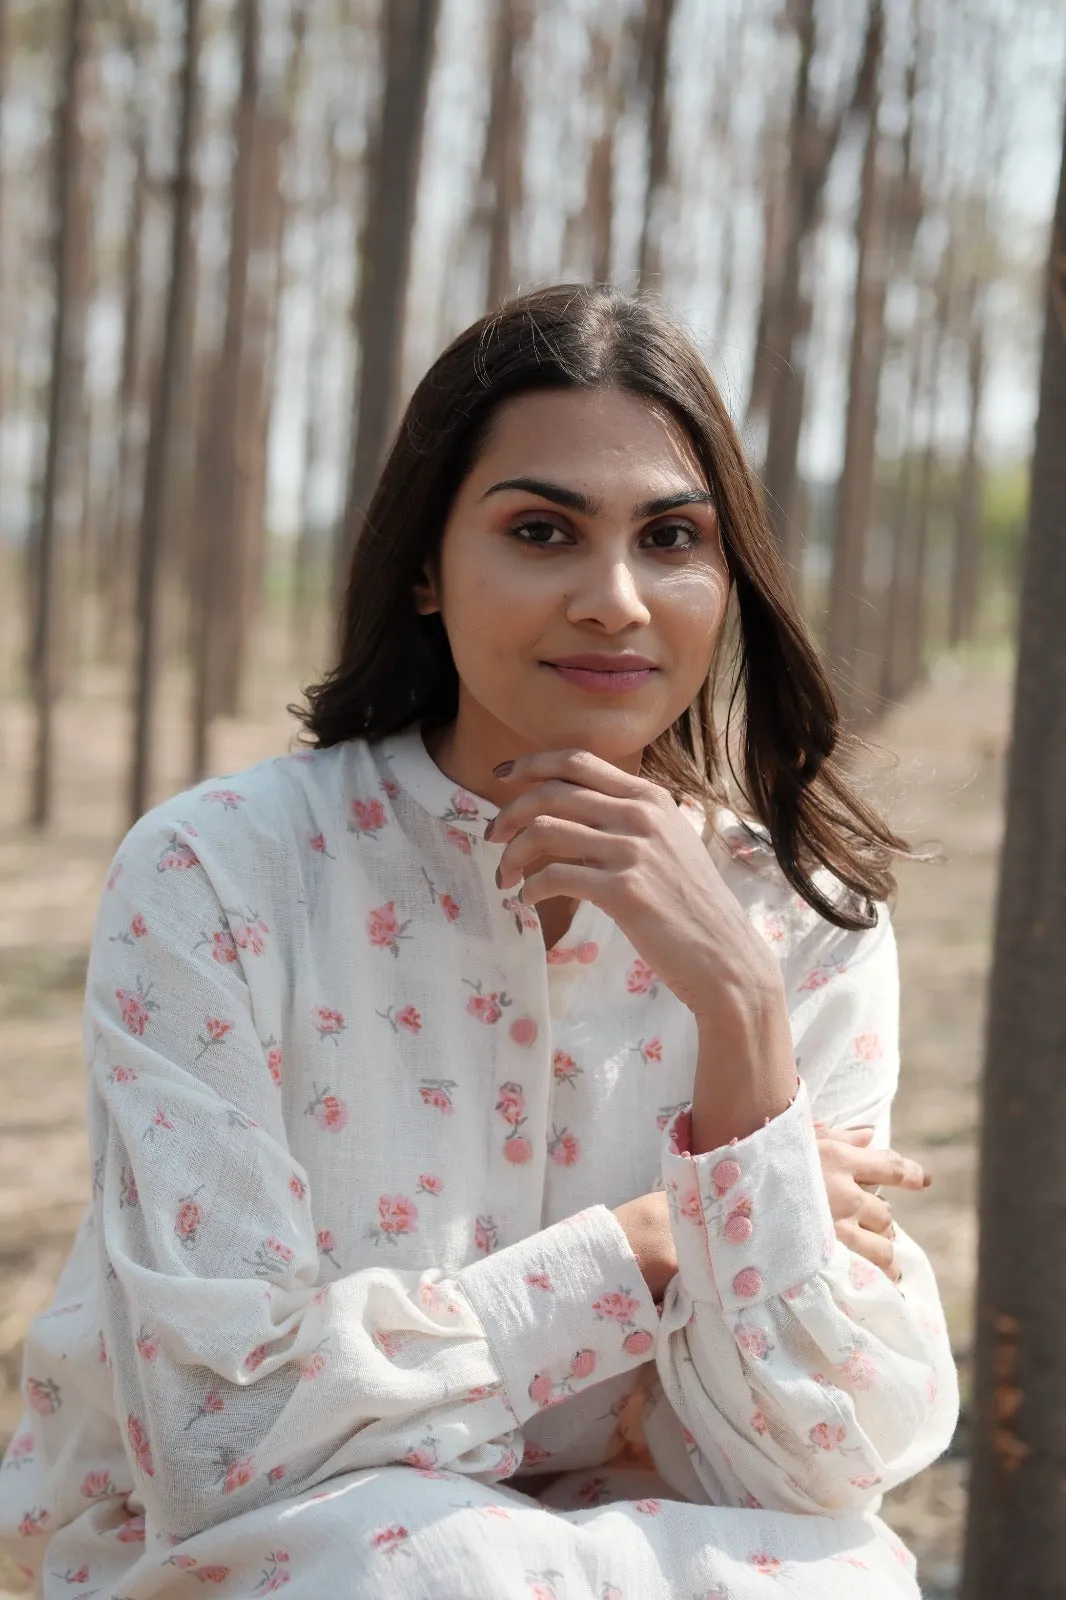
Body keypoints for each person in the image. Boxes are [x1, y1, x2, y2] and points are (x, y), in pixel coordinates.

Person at [0, 285, 957, 1599]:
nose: (613, 599)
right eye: (541, 529)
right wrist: (637, 1251)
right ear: (424, 568)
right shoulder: (221, 872)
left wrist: (740, 1019)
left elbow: (824, 1460)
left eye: (670, 536)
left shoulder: (794, 915)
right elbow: (217, 1437)